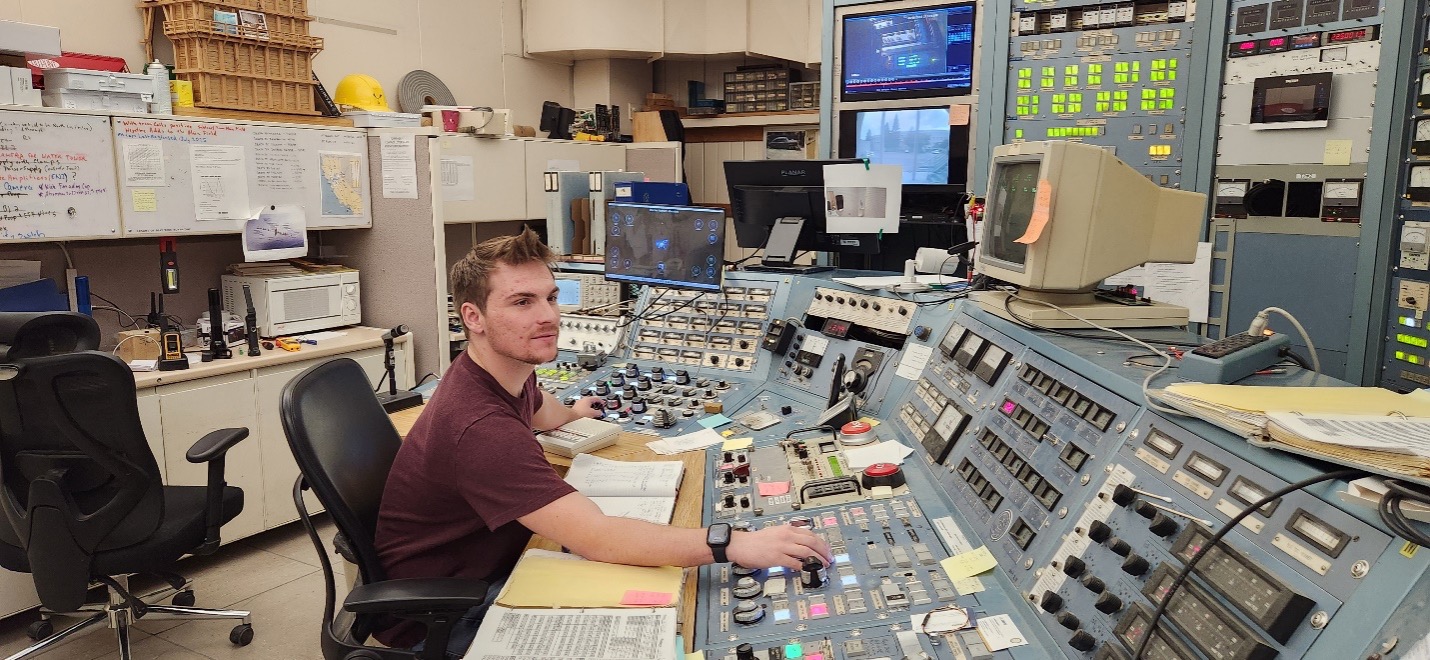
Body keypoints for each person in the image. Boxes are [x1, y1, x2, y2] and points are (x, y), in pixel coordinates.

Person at [373, 228, 831, 656]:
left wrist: (574, 412)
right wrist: (733, 544)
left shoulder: (498, 372)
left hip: (487, 565)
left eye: (551, 297)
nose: (548, 316)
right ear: (473, 317)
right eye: (522, 302)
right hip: (446, 616)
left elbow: (539, 405)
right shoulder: (481, 428)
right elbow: (600, 539)